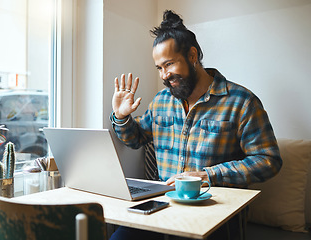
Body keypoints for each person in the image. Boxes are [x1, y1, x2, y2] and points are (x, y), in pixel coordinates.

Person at [109, 10, 282, 240]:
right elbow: (136, 138)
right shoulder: (162, 100)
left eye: (169, 64)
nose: (164, 75)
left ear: (192, 55)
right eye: (159, 68)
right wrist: (121, 117)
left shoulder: (241, 101)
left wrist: (208, 175)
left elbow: (269, 160)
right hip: (163, 208)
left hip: (216, 213)